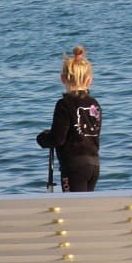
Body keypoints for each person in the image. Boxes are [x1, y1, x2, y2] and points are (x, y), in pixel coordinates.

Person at [37, 45, 102, 192]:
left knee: (73, 206)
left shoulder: (64, 104)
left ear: (62, 78)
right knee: (85, 207)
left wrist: (42, 139)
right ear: (89, 80)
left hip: (73, 166)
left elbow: (58, 138)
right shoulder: (95, 104)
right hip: (94, 164)